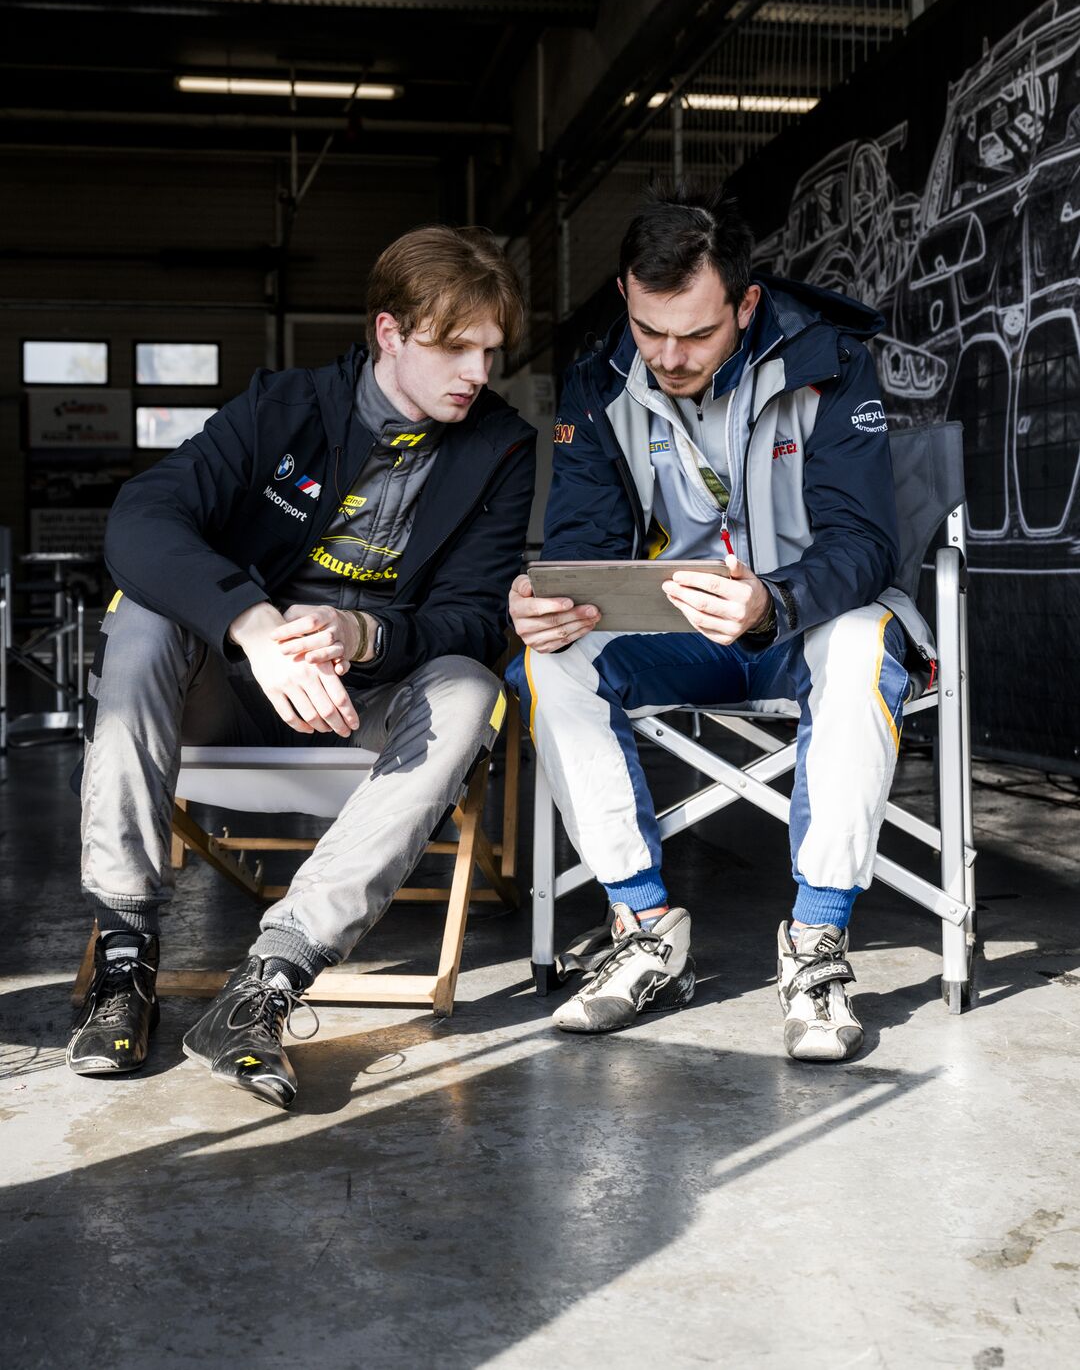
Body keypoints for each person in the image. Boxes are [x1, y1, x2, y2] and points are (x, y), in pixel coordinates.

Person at [68, 225, 535, 1108]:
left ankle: (266, 986)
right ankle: (124, 959)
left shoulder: (498, 447)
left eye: (490, 351)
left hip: (367, 703)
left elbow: (477, 618)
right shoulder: (284, 408)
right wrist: (253, 626)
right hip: (232, 689)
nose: (478, 372)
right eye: (455, 347)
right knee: (143, 618)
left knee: (473, 687)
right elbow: (142, 518)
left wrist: (364, 636)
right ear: (390, 332)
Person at [507, 188, 933, 1060]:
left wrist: (772, 602)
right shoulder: (596, 380)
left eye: (697, 334)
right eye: (649, 329)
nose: (668, 356)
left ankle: (816, 946)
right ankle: (645, 931)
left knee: (863, 642)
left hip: (806, 627)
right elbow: (585, 544)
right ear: (625, 295)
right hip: (680, 636)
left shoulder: (831, 362)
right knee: (549, 662)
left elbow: (864, 544)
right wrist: (551, 600)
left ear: (745, 304)